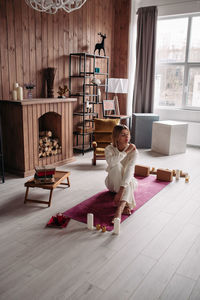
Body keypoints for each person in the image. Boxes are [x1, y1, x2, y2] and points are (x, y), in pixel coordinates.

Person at [104, 124, 138, 222]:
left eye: (128, 134)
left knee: (130, 179)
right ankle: (127, 205)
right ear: (116, 137)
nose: (127, 137)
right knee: (116, 165)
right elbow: (111, 163)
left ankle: (120, 208)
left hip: (126, 183)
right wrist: (126, 152)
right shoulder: (109, 149)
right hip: (111, 183)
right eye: (123, 135)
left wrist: (121, 191)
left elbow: (130, 170)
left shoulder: (134, 151)